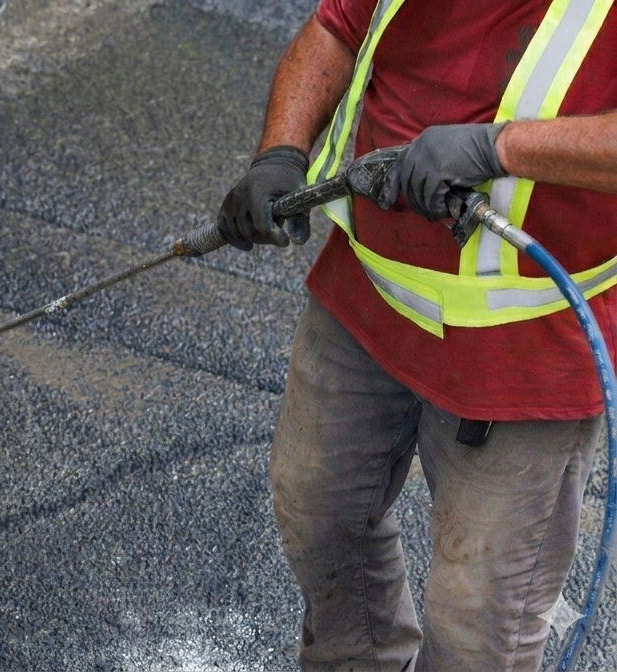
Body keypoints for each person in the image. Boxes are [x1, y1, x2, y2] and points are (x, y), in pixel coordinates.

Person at [217, 1, 617, 669]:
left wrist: (497, 147)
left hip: (523, 348)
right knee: (321, 519)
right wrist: (281, 152)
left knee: (478, 628)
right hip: (367, 297)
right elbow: (336, 29)